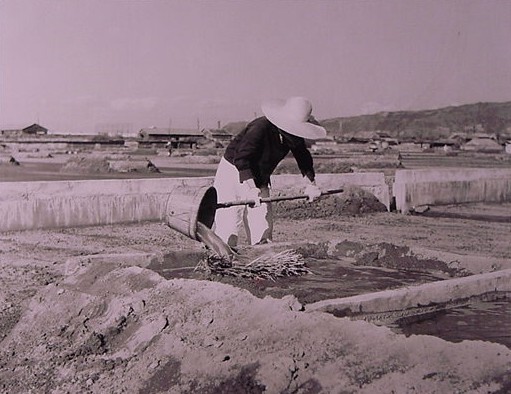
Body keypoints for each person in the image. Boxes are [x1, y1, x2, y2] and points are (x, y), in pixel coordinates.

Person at [213, 96, 327, 247]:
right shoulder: (260, 127)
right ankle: (222, 258)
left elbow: (303, 158)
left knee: (262, 225)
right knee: (229, 222)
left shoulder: (295, 134)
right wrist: (252, 189)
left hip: (261, 176)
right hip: (233, 171)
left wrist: (312, 184)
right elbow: (241, 158)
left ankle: (260, 259)